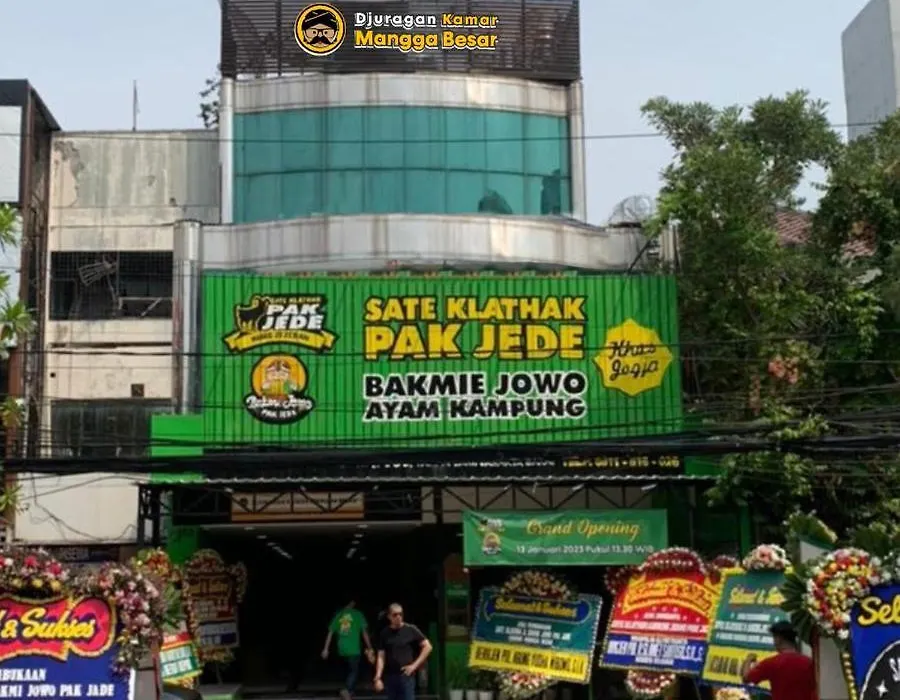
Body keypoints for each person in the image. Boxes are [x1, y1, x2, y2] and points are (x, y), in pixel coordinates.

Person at [741, 620, 817, 700]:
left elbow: (746, 678)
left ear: (778, 639)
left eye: (774, 638)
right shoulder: (809, 663)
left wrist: (748, 659)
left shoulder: (772, 663)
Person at [374, 603, 433, 700]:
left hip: (406, 675)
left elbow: (428, 646)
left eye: (400, 614)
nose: (398, 617)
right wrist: (378, 677)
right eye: (395, 615)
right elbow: (381, 656)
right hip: (390, 676)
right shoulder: (385, 633)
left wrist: (414, 666)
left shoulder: (410, 629)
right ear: (389, 616)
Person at [322, 598, 374, 700]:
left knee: (348, 671)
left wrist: (326, 649)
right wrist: (370, 647)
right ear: (352, 602)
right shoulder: (358, 614)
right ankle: (347, 690)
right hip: (354, 649)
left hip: (341, 649)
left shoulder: (338, 615)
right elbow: (364, 632)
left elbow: (330, 632)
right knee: (354, 671)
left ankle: (350, 693)